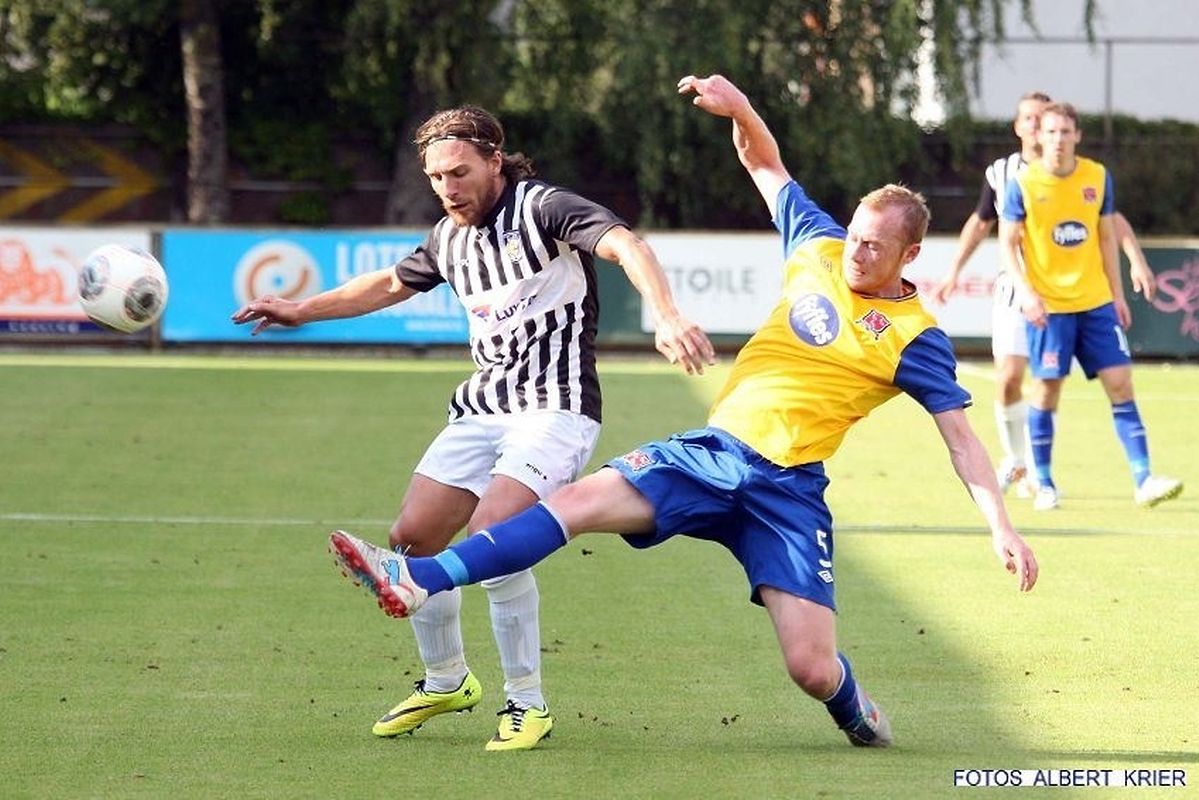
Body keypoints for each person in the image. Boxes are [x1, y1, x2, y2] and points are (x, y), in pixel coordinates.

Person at [327, 74, 1039, 750]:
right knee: (572, 504)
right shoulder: (817, 246)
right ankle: (422, 579)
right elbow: (765, 164)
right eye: (854, 234)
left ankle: (855, 709)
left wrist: (999, 525)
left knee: (811, 669)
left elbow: (961, 442)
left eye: (874, 245)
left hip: (787, 491)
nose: (855, 250)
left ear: (909, 255)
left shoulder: (917, 338)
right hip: (709, 454)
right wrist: (740, 110)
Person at [232, 105, 715, 751]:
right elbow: (389, 284)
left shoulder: (543, 208)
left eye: (459, 173)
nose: (447, 188)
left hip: (555, 408)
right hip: (482, 407)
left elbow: (626, 244)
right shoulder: (448, 238)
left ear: (494, 159)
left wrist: (666, 315)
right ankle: (446, 680)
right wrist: (301, 309)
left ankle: (527, 702)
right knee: (412, 539)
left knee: (494, 536)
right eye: (436, 177)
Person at [933, 92, 1158, 499]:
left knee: (1073, 383)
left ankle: (1055, 474)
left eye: (1049, 122)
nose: (1042, 129)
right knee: (1010, 378)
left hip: (1077, 298)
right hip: (1019, 291)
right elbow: (983, 225)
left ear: (1072, 133)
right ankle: (1018, 459)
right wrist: (953, 272)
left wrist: (1134, 260)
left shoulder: (1088, 174)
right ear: (1021, 128)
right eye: (1033, 121)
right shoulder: (1006, 174)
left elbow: (1109, 223)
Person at [998, 101, 1182, 511]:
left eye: (1066, 132)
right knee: (1047, 390)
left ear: (1077, 135)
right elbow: (1008, 245)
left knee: (1121, 383)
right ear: (1038, 136)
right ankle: (1044, 482)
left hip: (1095, 303)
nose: (1058, 140)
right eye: (1051, 132)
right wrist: (1026, 293)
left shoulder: (1097, 177)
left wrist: (1117, 295)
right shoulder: (1023, 184)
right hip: (1050, 308)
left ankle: (1144, 479)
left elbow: (1106, 237)